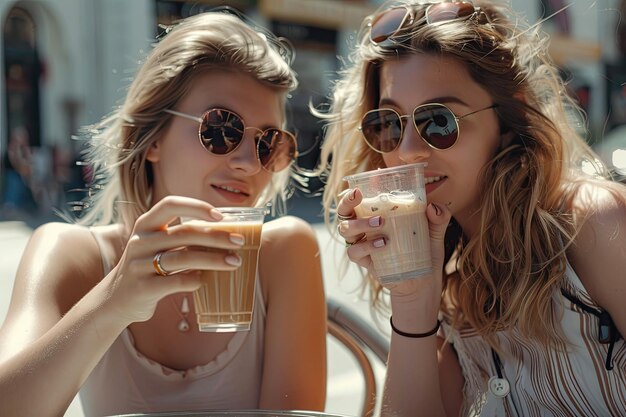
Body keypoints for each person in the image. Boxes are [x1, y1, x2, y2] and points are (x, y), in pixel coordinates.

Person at [0, 10, 327, 416]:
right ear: (152, 139)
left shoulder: (284, 252)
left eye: (268, 143)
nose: (249, 163)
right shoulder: (70, 254)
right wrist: (113, 301)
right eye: (221, 130)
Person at [318, 1, 626, 416]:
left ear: (507, 116)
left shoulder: (590, 222)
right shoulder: (447, 280)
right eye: (389, 124)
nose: (408, 152)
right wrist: (413, 299)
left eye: (438, 122)